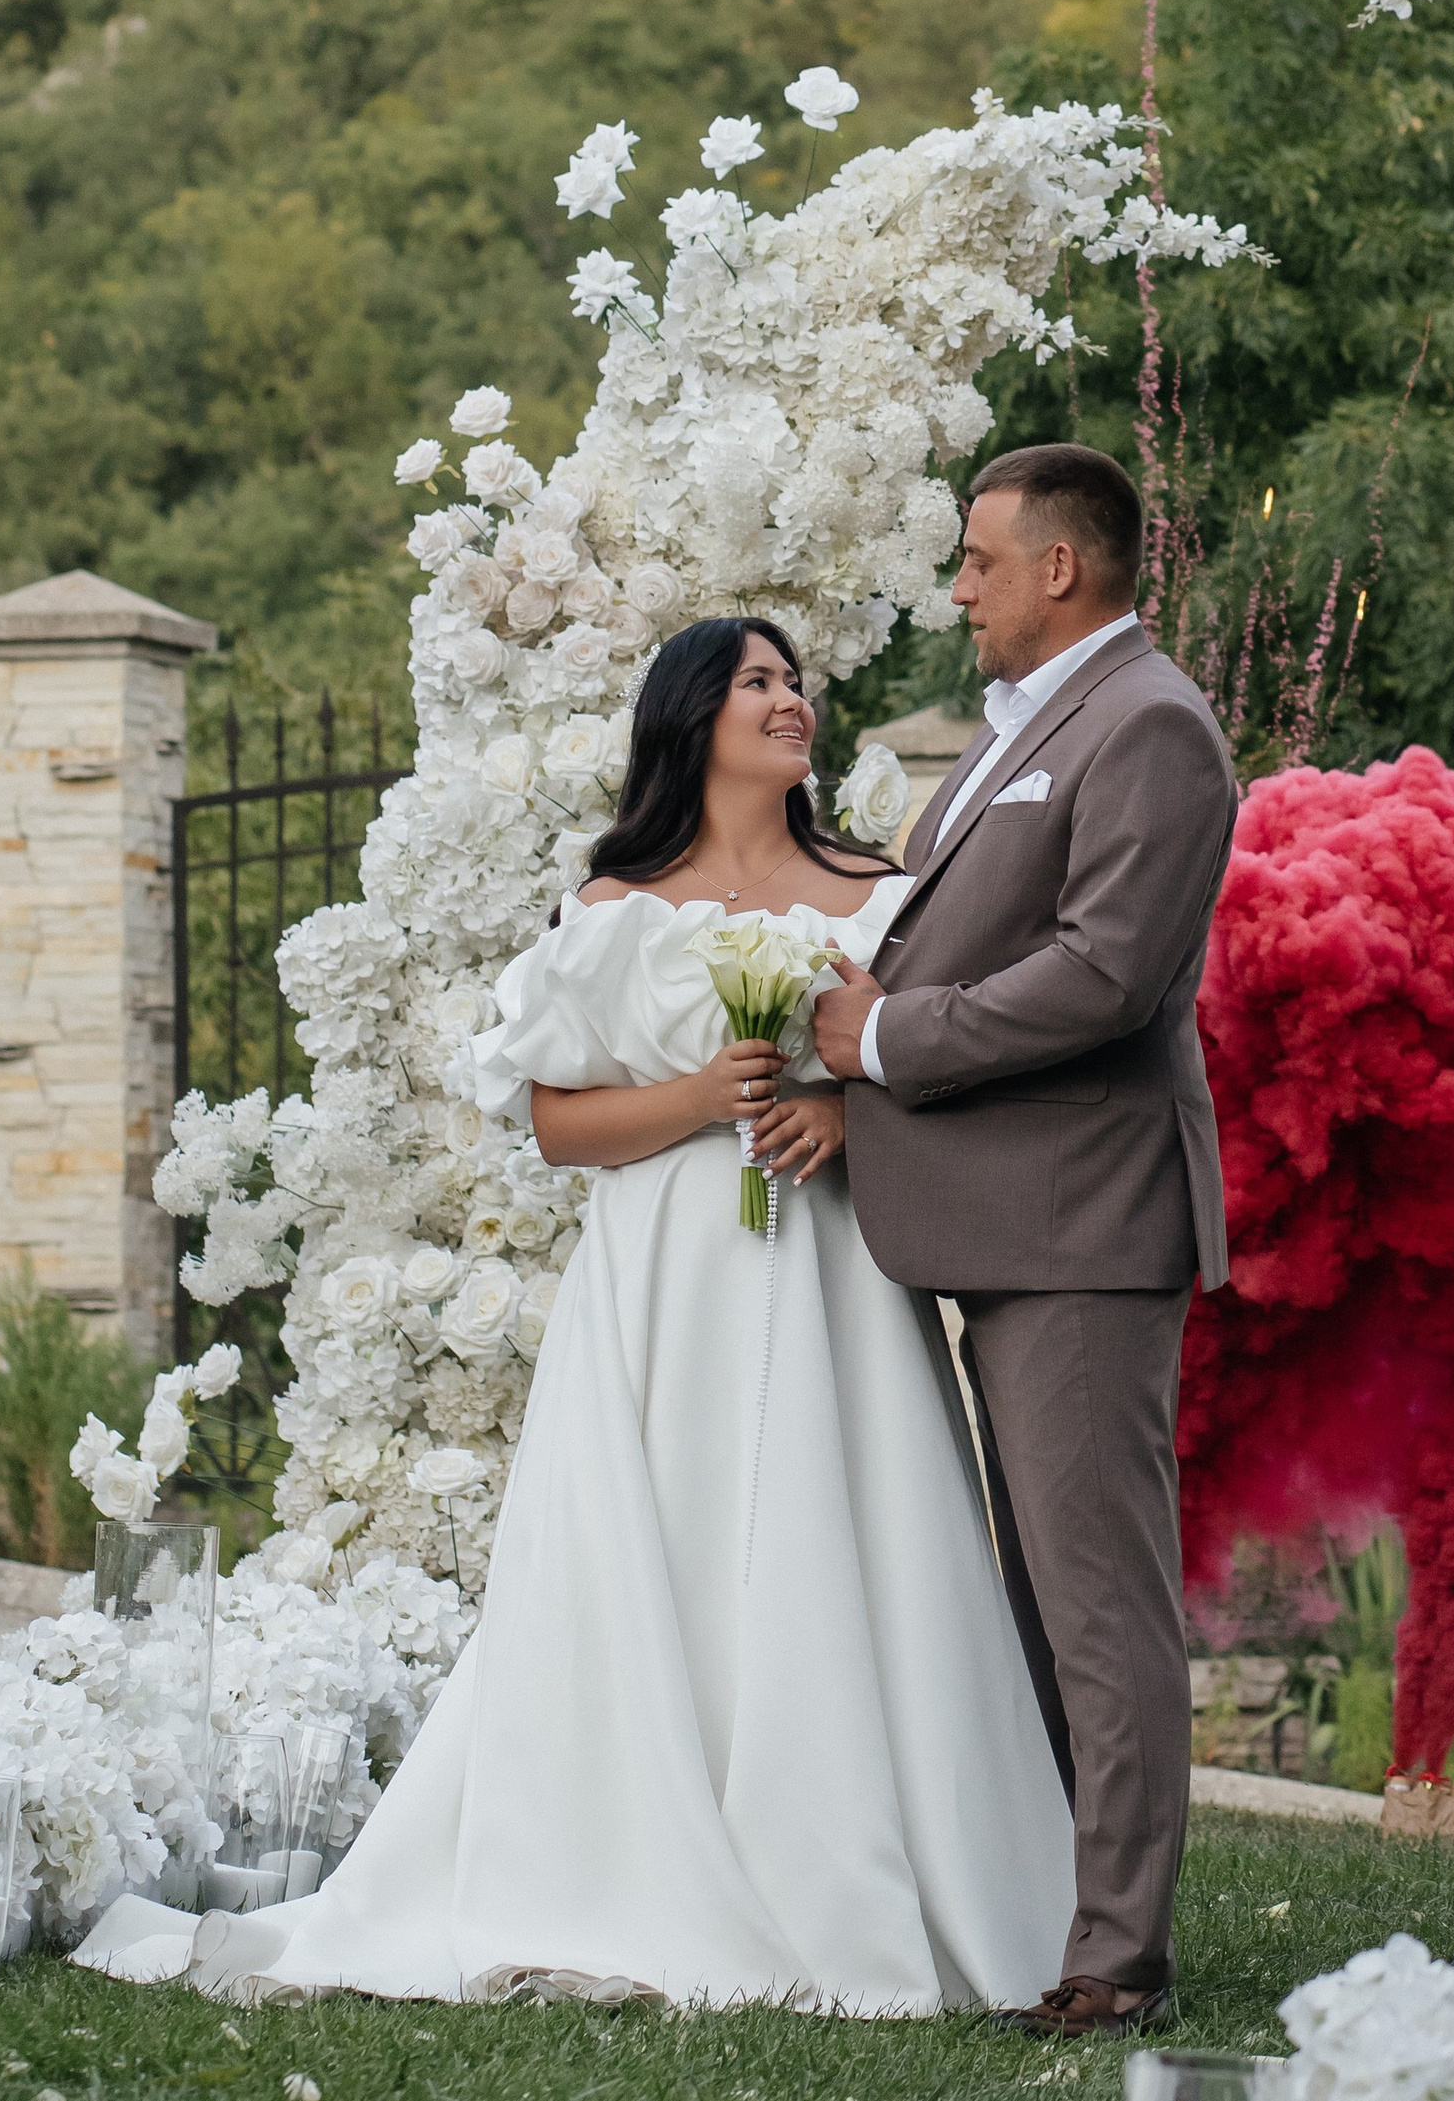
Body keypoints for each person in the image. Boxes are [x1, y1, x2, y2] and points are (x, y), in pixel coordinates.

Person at [79, 613, 1074, 2013]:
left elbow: (938, 1067)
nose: (792, 700)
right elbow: (556, 1123)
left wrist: (838, 1107)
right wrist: (710, 1095)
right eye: (756, 683)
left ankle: (876, 1871)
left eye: (795, 680)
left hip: (841, 1267)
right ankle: (630, 1856)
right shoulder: (615, 908)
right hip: (667, 1277)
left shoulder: (881, 893)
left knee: (854, 1540)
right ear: (692, 720)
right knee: (656, 1551)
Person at [815, 441, 1238, 2042]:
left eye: (979, 559)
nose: (960, 587)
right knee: (1043, 1594)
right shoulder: (1026, 731)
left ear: (1063, 565)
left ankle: (1117, 1955)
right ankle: (1052, 1900)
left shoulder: (1151, 724)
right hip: (1009, 1218)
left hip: (1081, 1231)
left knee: (1097, 1602)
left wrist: (882, 1043)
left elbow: (1103, 974)